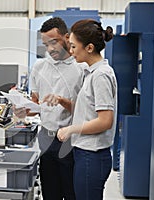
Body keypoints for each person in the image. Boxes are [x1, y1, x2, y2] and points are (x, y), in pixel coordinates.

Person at [14, 17, 84, 200]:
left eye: (54, 42)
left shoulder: (80, 68)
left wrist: (62, 101)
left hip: (71, 140)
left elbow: (85, 111)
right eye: (46, 44)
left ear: (67, 38)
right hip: (46, 138)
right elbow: (36, 104)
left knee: (72, 193)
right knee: (50, 194)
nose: (50, 48)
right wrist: (23, 110)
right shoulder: (39, 67)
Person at [57, 19, 117, 200]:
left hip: (93, 156)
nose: (71, 51)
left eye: (74, 47)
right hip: (86, 154)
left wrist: (71, 129)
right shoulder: (91, 73)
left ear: (89, 48)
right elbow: (89, 110)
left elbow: (105, 121)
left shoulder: (101, 75)